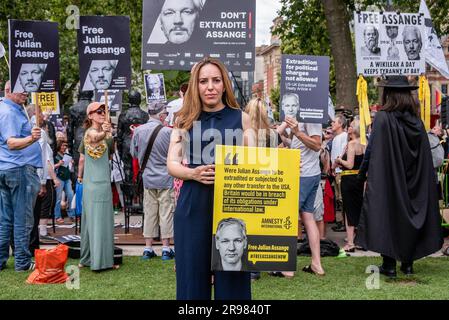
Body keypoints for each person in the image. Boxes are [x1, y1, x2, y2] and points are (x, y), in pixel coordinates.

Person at [167, 57, 253, 300]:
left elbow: (258, 160)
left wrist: (284, 165)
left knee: (233, 277)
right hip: (193, 204)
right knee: (191, 278)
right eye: (203, 81)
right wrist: (193, 172)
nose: (210, 86)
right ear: (196, 86)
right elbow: (171, 164)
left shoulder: (242, 118)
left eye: (216, 80)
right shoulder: (183, 119)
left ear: (225, 84)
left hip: (232, 206)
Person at [356, 76, 443, 278]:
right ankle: (407, 264)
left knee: (388, 216)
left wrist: (362, 174)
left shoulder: (383, 117)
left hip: (389, 178)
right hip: (414, 178)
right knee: (409, 217)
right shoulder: (416, 121)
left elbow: (372, 149)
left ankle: (389, 265)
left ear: (389, 94)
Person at [0, 81, 42, 271]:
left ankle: (2, 260)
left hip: (8, 169)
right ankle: (23, 262)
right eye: (21, 88)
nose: (26, 91)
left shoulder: (9, 108)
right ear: (8, 91)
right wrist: (31, 138)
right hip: (19, 169)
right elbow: (11, 143)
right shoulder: (9, 112)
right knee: (22, 220)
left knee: (6, 219)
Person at [278, 113, 325, 277]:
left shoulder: (310, 116)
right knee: (308, 217)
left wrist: (297, 132)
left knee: (290, 217)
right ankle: (316, 264)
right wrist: (288, 139)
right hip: (309, 173)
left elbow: (317, 144)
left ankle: (287, 268)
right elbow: (301, 144)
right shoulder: (303, 114)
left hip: (303, 174)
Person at [130, 102, 174, 261]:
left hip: (147, 177)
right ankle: (166, 248)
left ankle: (148, 248)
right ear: (161, 115)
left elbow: (133, 154)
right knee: (166, 212)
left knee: (149, 212)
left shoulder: (138, 131)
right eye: (166, 114)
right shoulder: (168, 132)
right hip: (166, 177)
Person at [77, 102, 118, 271]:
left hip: (101, 182)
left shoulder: (104, 133)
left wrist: (110, 135)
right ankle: (100, 262)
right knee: (97, 221)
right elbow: (93, 139)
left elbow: (111, 152)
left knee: (96, 221)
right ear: (90, 116)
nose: (102, 113)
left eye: (104, 111)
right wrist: (106, 132)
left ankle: (86, 258)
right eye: (99, 111)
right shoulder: (89, 133)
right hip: (94, 183)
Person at [26, 105, 59, 252]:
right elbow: (42, 159)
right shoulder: (38, 132)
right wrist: (43, 182)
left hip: (27, 176)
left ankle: (27, 244)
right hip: (35, 177)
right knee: (33, 213)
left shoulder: (25, 130)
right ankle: (32, 245)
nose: (44, 115)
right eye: (41, 112)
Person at [334, 119, 365, 252]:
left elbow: (350, 164)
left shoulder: (351, 144)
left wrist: (339, 160)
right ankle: (360, 241)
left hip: (349, 178)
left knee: (348, 210)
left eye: (351, 125)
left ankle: (350, 242)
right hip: (360, 178)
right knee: (359, 208)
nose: (349, 127)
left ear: (354, 129)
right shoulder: (364, 144)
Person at [117, 90, 149, 183]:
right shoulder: (145, 115)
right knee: (141, 168)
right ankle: (138, 191)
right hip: (140, 144)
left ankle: (130, 194)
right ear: (139, 100)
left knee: (127, 168)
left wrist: (120, 150)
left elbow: (119, 135)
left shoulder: (123, 115)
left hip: (127, 144)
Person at [54, 140, 75, 224]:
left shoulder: (67, 155)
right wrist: (58, 164)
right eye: (62, 146)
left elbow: (70, 168)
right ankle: (57, 216)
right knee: (58, 198)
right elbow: (51, 167)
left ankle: (71, 214)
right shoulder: (55, 156)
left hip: (67, 178)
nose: (64, 147)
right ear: (59, 146)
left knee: (70, 195)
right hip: (59, 177)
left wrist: (71, 163)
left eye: (65, 146)